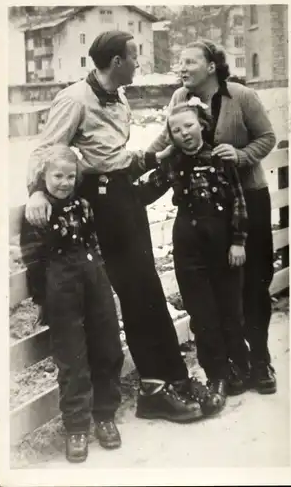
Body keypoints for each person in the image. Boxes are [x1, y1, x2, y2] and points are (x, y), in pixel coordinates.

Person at [24, 30, 222, 422]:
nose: (138, 64)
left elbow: (114, 156)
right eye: (134, 57)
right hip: (102, 205)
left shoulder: (120, 97)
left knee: (147, 287)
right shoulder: (74, 98)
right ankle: (154, 389)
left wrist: (156, 156)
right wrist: (36, 191)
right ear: (117, 61)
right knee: (136, 293)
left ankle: (173, 379)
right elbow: (46, 151)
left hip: (123, 198)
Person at [145, 39, 277, 394]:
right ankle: (231, 366)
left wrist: (241, 154)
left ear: (212, 66)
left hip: (246, 196)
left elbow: (267, 137)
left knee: (253, 282)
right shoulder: (177, 99)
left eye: (189, 62)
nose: (182, 68)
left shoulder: (241, 96)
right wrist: (139, 163)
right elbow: (166, 138)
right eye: (179, 62)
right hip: (205, 212)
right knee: (221, 289)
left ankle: (260, 360)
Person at [137, 99, 250, 406]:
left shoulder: (222, 156)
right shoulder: (172, 163)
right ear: (170, 136)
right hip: (188, 243)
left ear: (202, 124)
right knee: (202, 313)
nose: (184, 133)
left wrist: (238, 241)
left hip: (223, 240)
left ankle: (240, 366)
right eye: (176, 130)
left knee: (230, 309)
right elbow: (146, 192)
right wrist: (110, 191)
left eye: (188, 125)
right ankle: (217, 377)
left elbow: (238, 201)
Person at [20, 145, 124, 463]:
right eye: (57, 176)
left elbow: (92, 241)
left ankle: (105, 415)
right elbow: (33, 261)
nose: (64, 182)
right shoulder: (38, 212)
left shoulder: (83, 205)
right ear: (43, 177)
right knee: (72, 357)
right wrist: (42, 299)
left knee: (108, 347)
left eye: (69, 176)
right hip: (60, 287)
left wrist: (100, 276)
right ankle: (76, 427)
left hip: (93, 280)